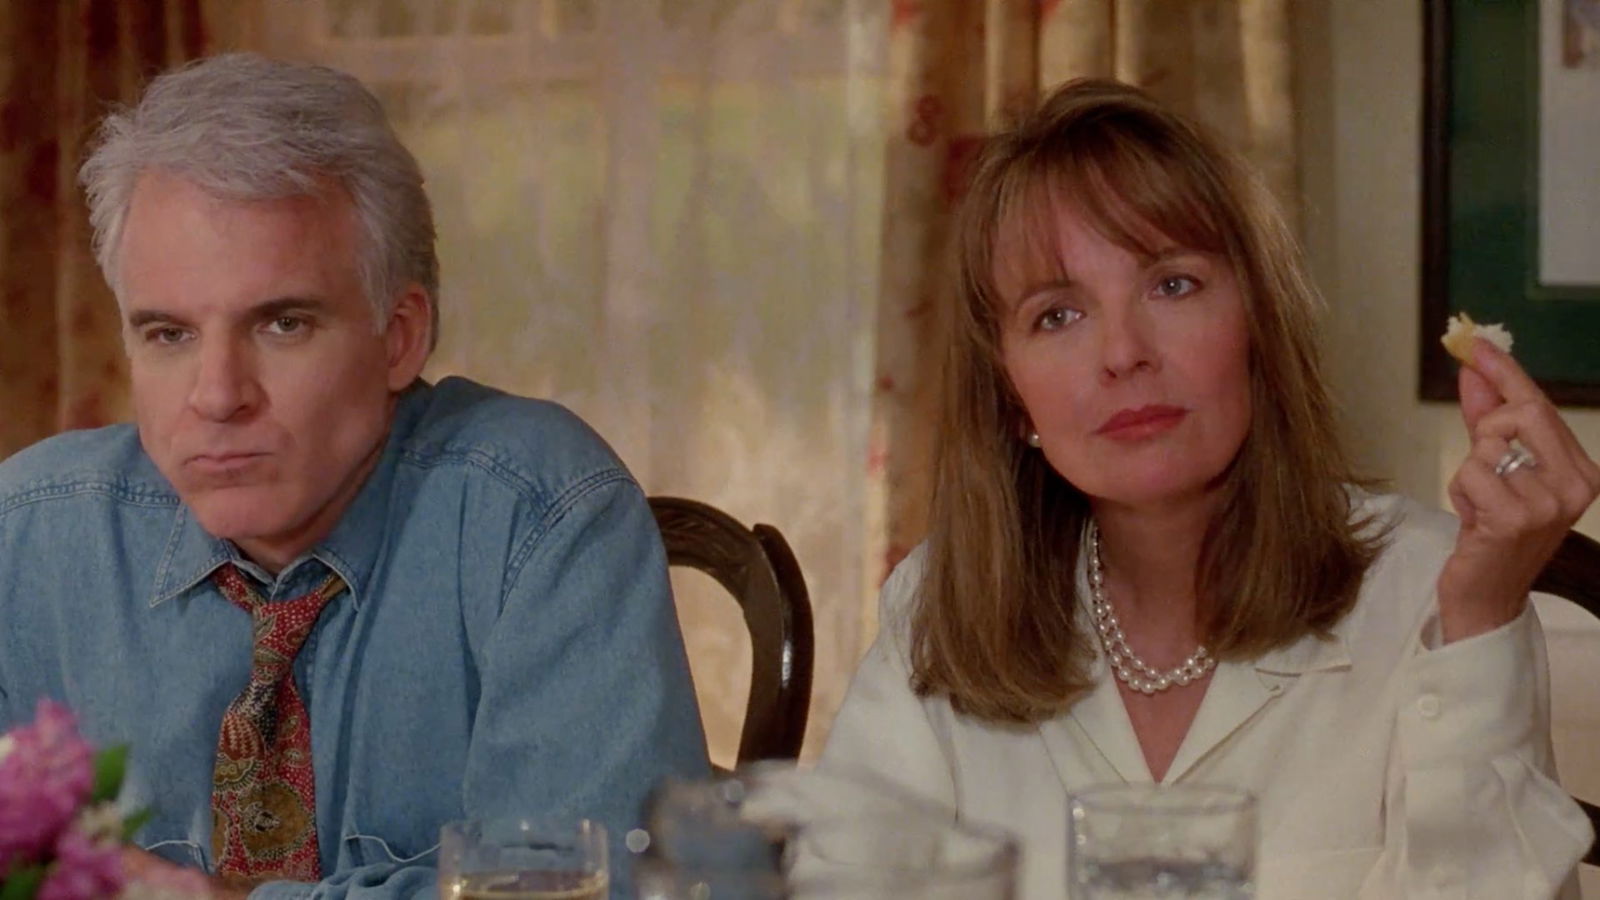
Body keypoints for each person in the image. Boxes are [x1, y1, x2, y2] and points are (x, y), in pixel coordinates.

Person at [820, 78, 1600, 899]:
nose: (1124, 352)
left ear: (1259, 328)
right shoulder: (937, 604)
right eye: (1058, 314)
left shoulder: (1439, 596)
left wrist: (1480, 622)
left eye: (1172, 284)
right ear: (1013, 401)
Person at [0, 53, 708, 900]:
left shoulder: (538, 514)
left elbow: (597, 888)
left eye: (283, 324)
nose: (217, 396)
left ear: (400, 336)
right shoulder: (27, 535)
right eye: (168, 335)